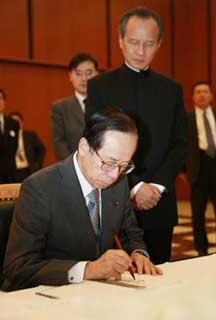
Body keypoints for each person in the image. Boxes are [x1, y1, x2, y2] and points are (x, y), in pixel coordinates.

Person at [2, 108, 162, 292]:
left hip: (98, 294)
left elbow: (130, 233)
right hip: (45, 297)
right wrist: (88, 269)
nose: (114, 175)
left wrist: (138, 253)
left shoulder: (119, 182)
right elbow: (18, 267)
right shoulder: (40, 188)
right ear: (84, 147)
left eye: (124, 165)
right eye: (109, 163)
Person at [86, 7, 187, 264]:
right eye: (133, 42)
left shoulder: (172, 89)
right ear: (120, 41)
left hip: (159, 203)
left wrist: (156, 186)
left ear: (159, 44)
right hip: (115, 198)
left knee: (159, 278)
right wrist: (136, 186)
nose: (141, 51)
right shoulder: (99, 86)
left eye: (149, 44)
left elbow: (180, 144)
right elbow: (95, 143)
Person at [186, 82, 216, 256]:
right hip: (198, 171)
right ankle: (202, 251)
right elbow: (181, 147)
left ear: (211, 95)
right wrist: (185, 171)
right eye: (198, 92)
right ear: (193, 97)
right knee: (198, 215)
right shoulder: (186, 118)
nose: (202, 95)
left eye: (205, 91)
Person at [51, 53, 98, 161]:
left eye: (89, 73)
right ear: (70, 76)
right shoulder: (60, 108)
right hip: (73, 166)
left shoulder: (107, 104)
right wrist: (75, 166)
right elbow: (59, 143)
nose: (84, 78)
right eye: (78, 73)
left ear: (97, 74)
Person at [9, 112, 46, 182]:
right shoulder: (5, 138)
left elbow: (41, 149)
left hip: (28, 170)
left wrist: (37, 164)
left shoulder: (30, 135)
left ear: (22, 123)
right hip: (13, 172)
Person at [0, 89, 19, 183]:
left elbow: (14, 148)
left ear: (4, 102)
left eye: (0, 98)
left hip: (9, 173)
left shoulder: (13, 123)